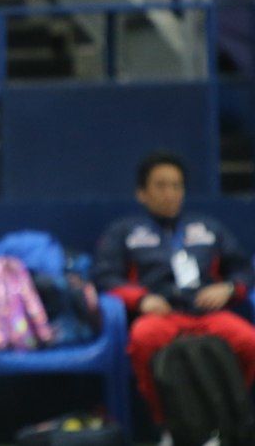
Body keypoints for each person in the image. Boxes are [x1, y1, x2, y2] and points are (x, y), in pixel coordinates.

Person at [94, 152, 255, 433]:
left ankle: (224, 419)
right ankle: (168, 424)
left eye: (176, 186)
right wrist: (141, 299)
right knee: (143, 338)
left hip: (207, 314)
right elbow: (105, 277)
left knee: (249, 341)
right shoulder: (125, 231)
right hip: (162, 315)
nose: (170, 193)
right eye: (161, 185)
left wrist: (228, 288)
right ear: (142, 193)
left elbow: (244, 270)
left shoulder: (207, 228)